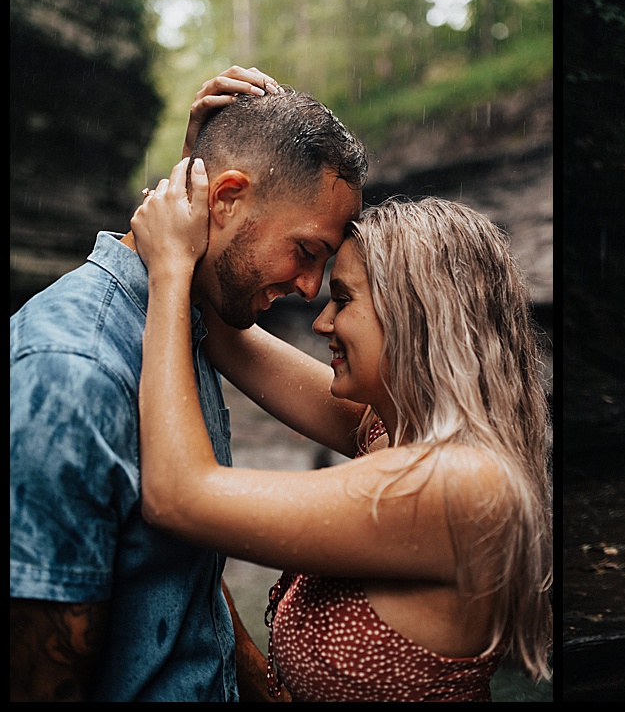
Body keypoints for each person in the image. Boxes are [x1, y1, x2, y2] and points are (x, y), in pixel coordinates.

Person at [128, 151, 554, 700]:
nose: (321, 320)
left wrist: (166, 271)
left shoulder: (457, 485)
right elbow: (225, 329)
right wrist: (206, 176)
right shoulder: (392, 429)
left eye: (345, 299)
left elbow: (177, 496)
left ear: (416, 316)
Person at [10, 67, 362, 701]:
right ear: (223, 200)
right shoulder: (72, 373)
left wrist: (247, 668)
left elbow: (169, 558)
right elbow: (41, 675)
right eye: (306, 251)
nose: (311, 288)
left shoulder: (187, 321)